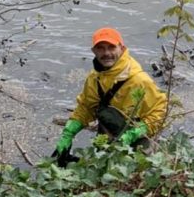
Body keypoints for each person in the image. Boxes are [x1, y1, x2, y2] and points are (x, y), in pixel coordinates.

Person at [53, 27, 168, 162]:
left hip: (139, 144)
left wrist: (133, 134)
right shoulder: (95, 78)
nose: (106, 53)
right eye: (100, 48)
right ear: (94, 51)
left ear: (121, 48)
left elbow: (159, 113)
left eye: (111, 47)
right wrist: (68, 133)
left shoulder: (139, 80)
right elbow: (86, 107)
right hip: (107, 139)